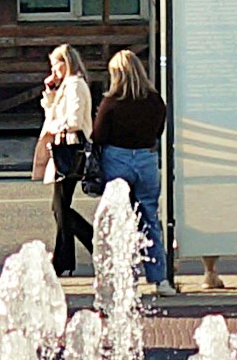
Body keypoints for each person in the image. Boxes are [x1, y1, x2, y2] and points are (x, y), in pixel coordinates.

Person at [92, 47, 171, 287]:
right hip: (146, 160)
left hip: (117, 159)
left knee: (119, 220)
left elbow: (98, 135)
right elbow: (159, 130)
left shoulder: (112, 102)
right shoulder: (155, 100)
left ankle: (126, 278)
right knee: (149, 219)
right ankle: (160, 280)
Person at [35, 45, 96, 277]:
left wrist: (55, 127)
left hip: (70, 149)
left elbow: (74, 120)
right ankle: (65, 259)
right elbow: (53, 112)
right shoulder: (67, 86)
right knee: (60, 206)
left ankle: (82, 247)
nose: (53, 70)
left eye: (56, 65)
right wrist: (50, 93)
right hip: (65, 148)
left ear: (66, 62)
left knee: (59, 206)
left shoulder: (75, 85)